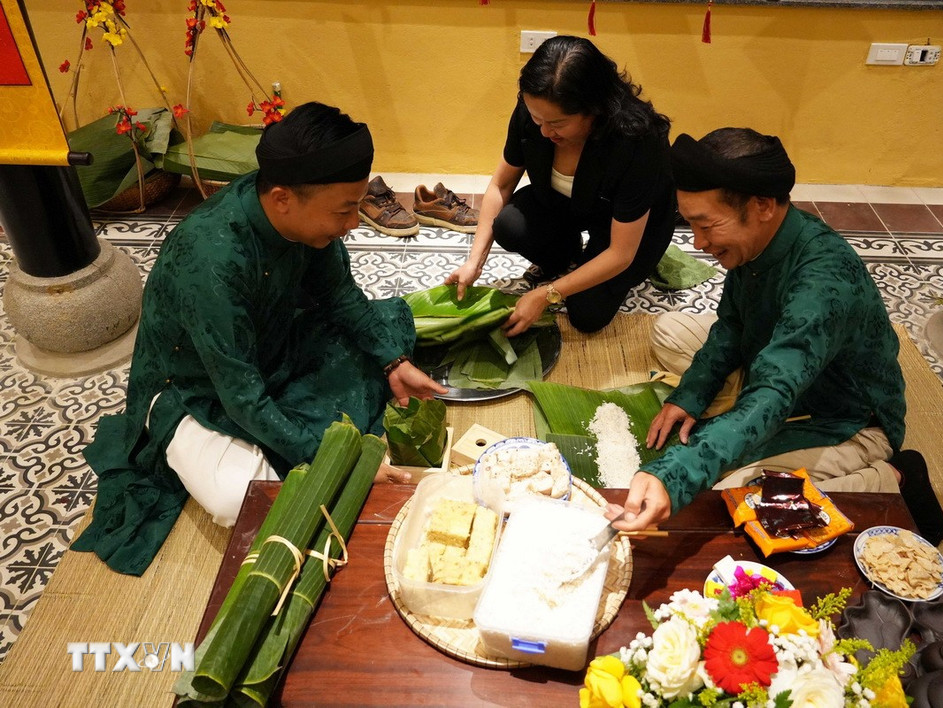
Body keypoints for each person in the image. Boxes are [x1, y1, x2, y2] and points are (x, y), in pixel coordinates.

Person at [73, 102, 446, 575]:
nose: (354, 223)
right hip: (193, 390)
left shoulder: (304, 222)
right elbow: (242, 396)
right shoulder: (211, 260)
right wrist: (344, 459)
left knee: (382, 340)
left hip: (272, 348)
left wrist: (394, 362)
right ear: (283, 199)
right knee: (242, 498)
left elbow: (339, 295)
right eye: (345, 210)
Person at [607, 127, 943, 545]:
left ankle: (891, 476)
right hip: (774, 366)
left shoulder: (823, 280)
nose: (698, 242)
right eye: (690, 224)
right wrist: (690, 395)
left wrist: (675, 473)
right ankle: (735, 418)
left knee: (736, 494)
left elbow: (773, 392)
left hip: (843, 417)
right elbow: (733, 325)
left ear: (763, 205)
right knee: (670, 331)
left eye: (706, 225)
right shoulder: (760, 240)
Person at [445, 35, 675, 335]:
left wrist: (547, 293)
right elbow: (500, 186)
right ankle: (568, 254)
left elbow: (621, 253)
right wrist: (474, 262)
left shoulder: (637, 141)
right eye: (537, 118)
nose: (544, 131)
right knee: (509, 225)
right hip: (571, 204)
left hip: (631, 229)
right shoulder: (536, 113)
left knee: (587, 314)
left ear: (594, 109)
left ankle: (596, 261)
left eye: (557, 124)